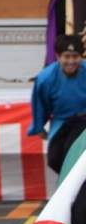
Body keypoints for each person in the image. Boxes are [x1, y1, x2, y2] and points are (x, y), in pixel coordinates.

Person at [27, 34, 86, 174]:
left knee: (72, 152)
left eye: (75, 56)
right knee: (55, 159)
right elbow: (40, 103)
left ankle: (79, 191)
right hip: (61, 120)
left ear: (81, 57)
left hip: (84, 120)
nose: (71, 61)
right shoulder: (46, 77)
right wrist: (39, 127)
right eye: (67, 56)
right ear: (58, 56)